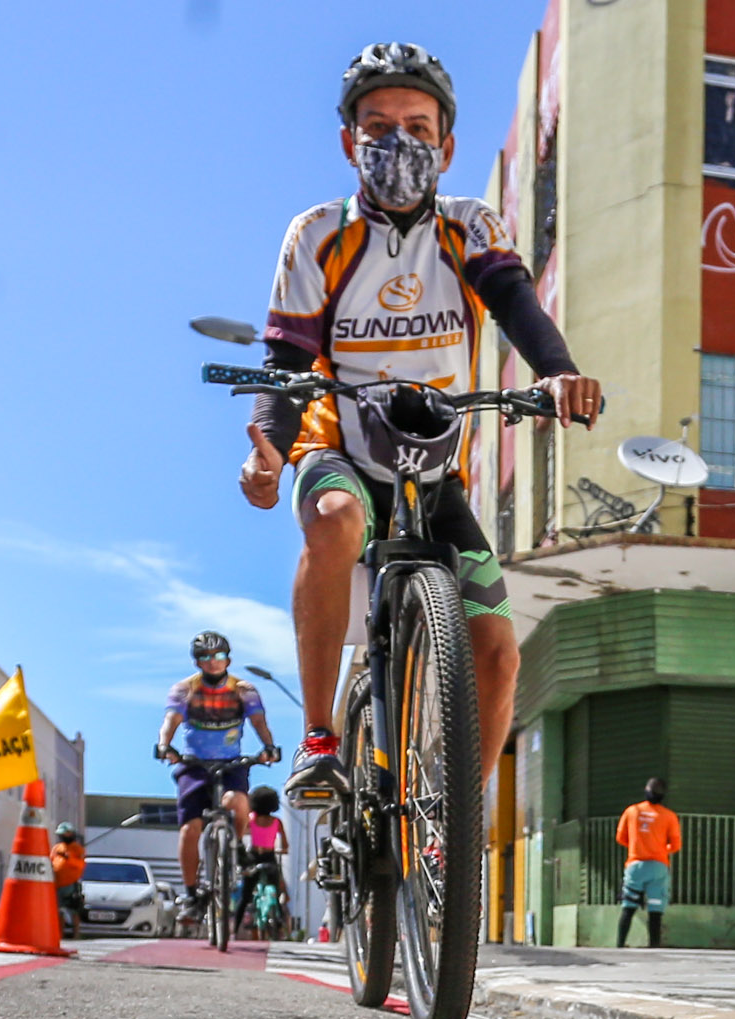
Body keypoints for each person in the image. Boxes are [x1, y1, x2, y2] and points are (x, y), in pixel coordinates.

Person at [244, 44, 605, 808]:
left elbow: (515, 304)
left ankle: (455, 827)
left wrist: (557, 374)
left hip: (436, 474)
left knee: (499, 657)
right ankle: (318, 743)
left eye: (416, 124)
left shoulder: (470, 227)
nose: (397, 141)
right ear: (349, 143)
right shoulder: (316, 235)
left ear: (446, 144)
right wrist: (269, 453)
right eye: (376, 126)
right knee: (337, 519)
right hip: (337, 448)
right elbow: (285, 358)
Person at [156, 632, 278, 906]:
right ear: (197, 662)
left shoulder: (243, 690)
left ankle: (233, 846)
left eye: (219, 656)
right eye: (205, 658)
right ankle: (190, 893)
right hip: (194, 764)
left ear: (228, 659)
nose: (213, 662)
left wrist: (269, 746)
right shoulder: (184, 689)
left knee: (238, 802)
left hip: (231, 763)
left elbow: (259, 722)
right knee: (190, 829)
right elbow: (171, 720)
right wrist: (165, 745)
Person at [613, 778, 680, 949]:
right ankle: (654, 946)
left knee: (628, 907)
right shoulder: (669, 816)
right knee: (656, 909)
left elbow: (620, 838)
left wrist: (636, 846)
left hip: (635, 865)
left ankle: (620, 945)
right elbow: (676, 845)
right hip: (659, 866)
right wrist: (661, 849)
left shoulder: (632, 811)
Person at [236, 786, 290, 937]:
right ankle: (279, 924)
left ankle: (234, 930)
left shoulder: (251, 819)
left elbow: (241, 833)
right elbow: (285, 845)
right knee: (277, 891)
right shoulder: (277, 822)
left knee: (245, 896)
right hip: (270, 856)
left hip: (253, 857)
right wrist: (283, 850)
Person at [51, 822, 90, 935]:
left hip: (71, 884)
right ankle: (59, 934)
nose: (63, 836)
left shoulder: (78, 849)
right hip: (57, 884)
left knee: (73, 910)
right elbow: (51, 860)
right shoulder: (57, 848)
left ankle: (76, 933)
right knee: (59, 910)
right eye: (61, 834)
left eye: (65, 834)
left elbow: (80, 865)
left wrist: (68, 858)